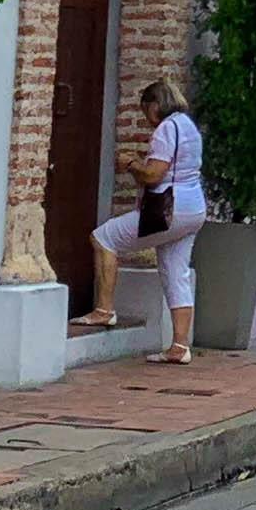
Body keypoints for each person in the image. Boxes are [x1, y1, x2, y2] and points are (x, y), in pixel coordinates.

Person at [82, 78, 205, 365]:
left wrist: (131, 163)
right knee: (176, 272)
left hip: (167, 210)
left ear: (154, 105)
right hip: (194, 209)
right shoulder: (188, 126)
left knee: (104, 238)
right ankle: (179, 345)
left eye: (144, 110)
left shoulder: (165, 129)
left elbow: (154, 175)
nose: (145, 118)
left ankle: (104, 310)